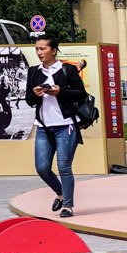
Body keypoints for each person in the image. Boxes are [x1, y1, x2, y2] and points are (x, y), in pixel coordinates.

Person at [25, 34, 87, 218]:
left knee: (64, 167)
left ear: (53, 50)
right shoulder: (34, 71)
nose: (39, 52)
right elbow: (28, 100)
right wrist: (36, 94)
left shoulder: (67, 70)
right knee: (42, 167)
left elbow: (80, 94)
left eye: (42, 48)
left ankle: (67, 205)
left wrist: (60, 92)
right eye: (37, 49)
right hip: (44, 127)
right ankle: (60, 193)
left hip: (65, 126)